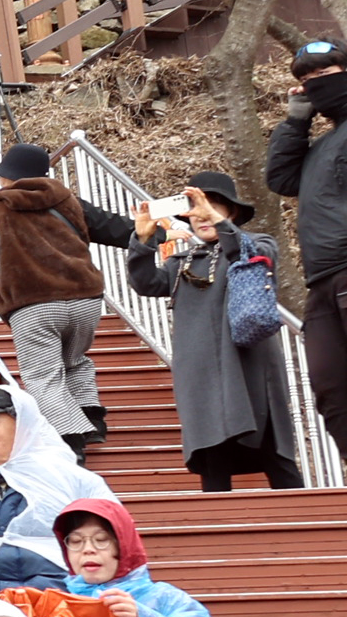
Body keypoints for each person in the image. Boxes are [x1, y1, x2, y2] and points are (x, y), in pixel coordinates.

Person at [127, 171, 309, 491]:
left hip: (249, 365)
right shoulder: (183, 261)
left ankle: (312, 524)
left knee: (273, 453)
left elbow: (249, 254)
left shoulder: (257, 243)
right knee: (212, 456)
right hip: (201, 376)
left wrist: (221, 225)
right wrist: (142, 240)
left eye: (211, 207)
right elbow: (144, 282)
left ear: (231, 213)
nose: (201, 216)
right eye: (194, 208)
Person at [0, 142, 136, 456]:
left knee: (42, 376)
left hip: (34, 305)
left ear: (10, 177)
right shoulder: (68, 202)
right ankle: (92, 418)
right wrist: (157, 230)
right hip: (85, 299)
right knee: (75, 360)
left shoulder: (0, 210)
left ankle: (70, 442)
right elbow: (117, 229)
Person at [270, 37, 347, 460]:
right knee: (331, 390)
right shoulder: (320, 148)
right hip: (320, 282)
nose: (315, 83)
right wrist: (296, 121)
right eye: (306, 78)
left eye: (325, 73)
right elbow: (280, 179)